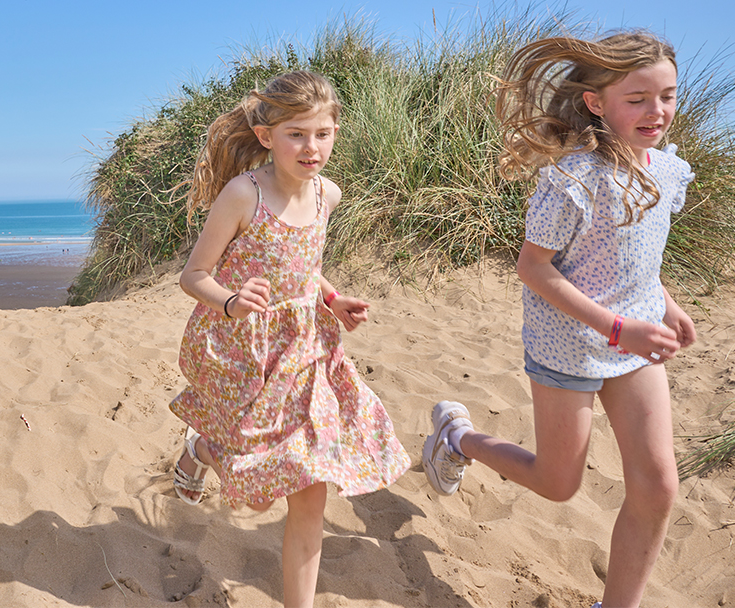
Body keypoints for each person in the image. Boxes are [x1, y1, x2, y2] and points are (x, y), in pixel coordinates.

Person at [422, 32, 696, 608]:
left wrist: (665, 303)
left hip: (635, 345)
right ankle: (458, 438)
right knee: (557, 484)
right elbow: (534, 269)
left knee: (658, 487)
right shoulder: (572, 179)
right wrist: (619, 327)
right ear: (596, 102)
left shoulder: (667, 172)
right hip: (568, 344)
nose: (657, 112)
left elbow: (637, 258)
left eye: (667, 96)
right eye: (638, 98)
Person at [168, 70, 411, 608]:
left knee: (308, 492)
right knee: (256, 498)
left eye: (322, 133)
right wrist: (230, 301)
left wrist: (331, 299)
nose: (311, 147)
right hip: (240, 351)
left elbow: (306, 268)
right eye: (297, 134)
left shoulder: (328, 194)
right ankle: (203, 448)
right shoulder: (242, 195)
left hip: (305, 351)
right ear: (266, 137)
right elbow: (194, 276)